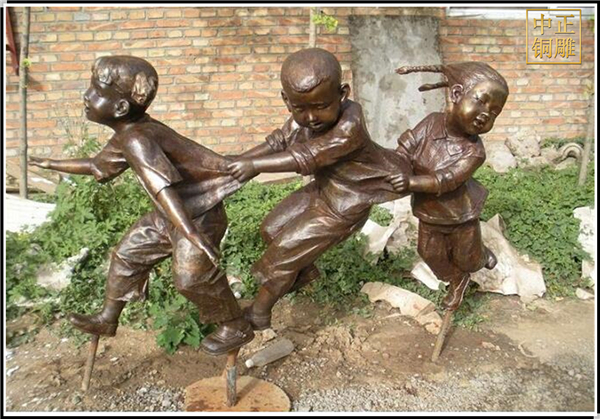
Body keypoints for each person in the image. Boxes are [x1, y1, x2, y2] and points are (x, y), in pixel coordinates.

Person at [29, 56, 253, 356]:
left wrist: (190, 233)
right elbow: (98, 166)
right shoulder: (128, 133)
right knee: (128, 254)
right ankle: (107, 319)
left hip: (198, 215)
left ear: (120, 108)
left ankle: (235, 325)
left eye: (96, 91)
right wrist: (51, 163)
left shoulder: (137, 139)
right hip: (171, 214)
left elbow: (163, 190)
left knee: (191, 278)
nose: (86, 96)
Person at [227, 48, 411, 330]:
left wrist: (255, 166)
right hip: (323, 188)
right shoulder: (304, 114)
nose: (311, 117)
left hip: (346, 203)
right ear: (287, 101)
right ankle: (303, 272)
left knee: (284, 252)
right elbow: (279, 142)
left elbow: (305, 157)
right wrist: (237, 162)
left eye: (321, 106)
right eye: (300, 109)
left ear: (343, 94)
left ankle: (259, 313)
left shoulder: (349, 126)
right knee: (271, 229)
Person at [387, 62, 509, 311]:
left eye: (494, 113)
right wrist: (397, 162)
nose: (486, 114)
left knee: (468, 258)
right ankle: (457, 279)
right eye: (481, 102)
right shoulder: (431, 122)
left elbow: (447, 179)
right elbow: (407, 147)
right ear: (456, 94)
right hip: (429, 212)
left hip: (460, 215)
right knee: (429, 253)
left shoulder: (474, 152)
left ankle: (480, 255)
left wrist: (410, 182)